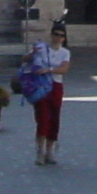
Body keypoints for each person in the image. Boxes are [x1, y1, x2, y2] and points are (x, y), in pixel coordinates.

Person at [33, 23, 72, 165]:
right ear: (51, 35)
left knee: (54, 118)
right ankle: (40, 151)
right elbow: (26, 60)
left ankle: (50, 151)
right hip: (42, 85)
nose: (58, 37)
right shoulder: (42, 49)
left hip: (56, 85)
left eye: (61, 35)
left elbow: (64, 69)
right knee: (43, 117)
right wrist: (32, 53)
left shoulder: (65, 53)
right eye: (55, 34)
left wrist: (49, 69)